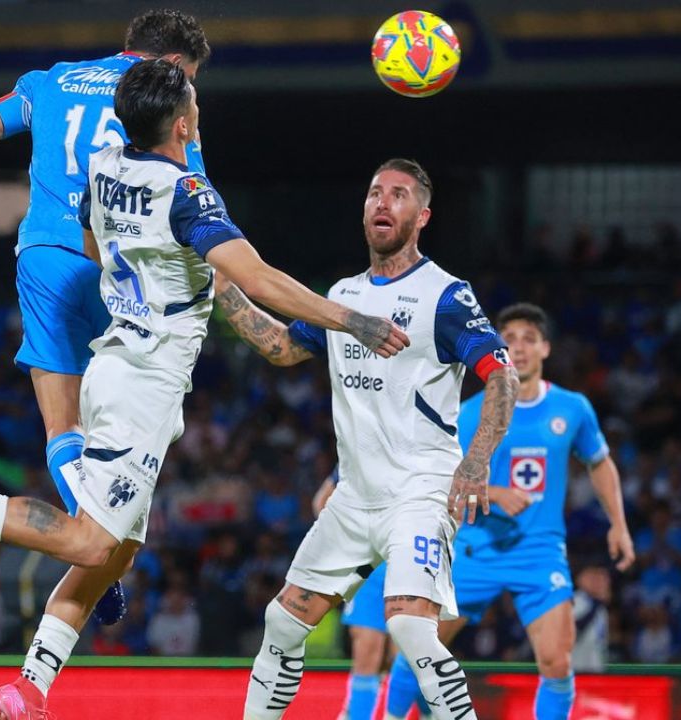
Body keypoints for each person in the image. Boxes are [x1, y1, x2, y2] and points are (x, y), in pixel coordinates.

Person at [0, 59, 407, 720]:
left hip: (124, 362)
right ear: (183, 122)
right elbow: (257, 278)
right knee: (94, 543)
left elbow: (95, 242)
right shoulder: (187, 191)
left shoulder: (106, 167)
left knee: (117, 550)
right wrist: (353, 320)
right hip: (140, 382)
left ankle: (31, 686)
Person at [0, 8, 213, 625]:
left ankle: (91, 546)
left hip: (46, 258)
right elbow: (189, 193)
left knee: (62, 428)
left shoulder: (52, 80)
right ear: (174, 66)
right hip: (127, 263)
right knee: (131, 415)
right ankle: (99, 551)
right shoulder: (170, 103)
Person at [214, 157, 519, 720]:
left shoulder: (446, 296)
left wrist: (476, 461)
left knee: (407, 622)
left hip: (420, 491)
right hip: (354, 497)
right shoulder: (343, 294)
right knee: (283, 620)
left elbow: (502, 376)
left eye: (399, 195)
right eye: (375, 192)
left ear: (422, 216)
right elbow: (282, 347)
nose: (383, 202)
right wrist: (223, 288)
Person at [390, 302, 634, 719]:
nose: (518, 348)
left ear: (546, 349)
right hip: (474, 548)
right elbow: (441, 481)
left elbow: (599, 462)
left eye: (529, 339)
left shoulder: (572, 409)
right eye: (509, 340)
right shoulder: (469, 413)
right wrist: (496, 492)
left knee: (557, 662)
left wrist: (619, 524)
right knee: (418, 650)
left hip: (539, 552)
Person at [311, 475, 415, 720]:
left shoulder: (428, 447)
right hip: (369, 568)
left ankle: (423, 713)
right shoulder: (360, 448)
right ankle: (357, 714)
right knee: (367, 651)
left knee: (404, 656)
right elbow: (321, 503)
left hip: (410, 562)